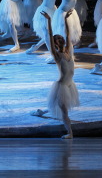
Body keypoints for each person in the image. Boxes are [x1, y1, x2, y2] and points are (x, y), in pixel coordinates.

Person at [41, 9, 79, 139]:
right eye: (58, 39)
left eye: (60, 37)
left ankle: (42, 111)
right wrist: (49, 20)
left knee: (59, 106)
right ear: (56, 43)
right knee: (64, 111)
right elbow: (50, 34)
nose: (61, 38)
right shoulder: (57, 55)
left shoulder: (68, 50)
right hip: (62, 86)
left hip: (69, 85)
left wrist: (66, 20)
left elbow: (68, 35)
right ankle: (70, 133)